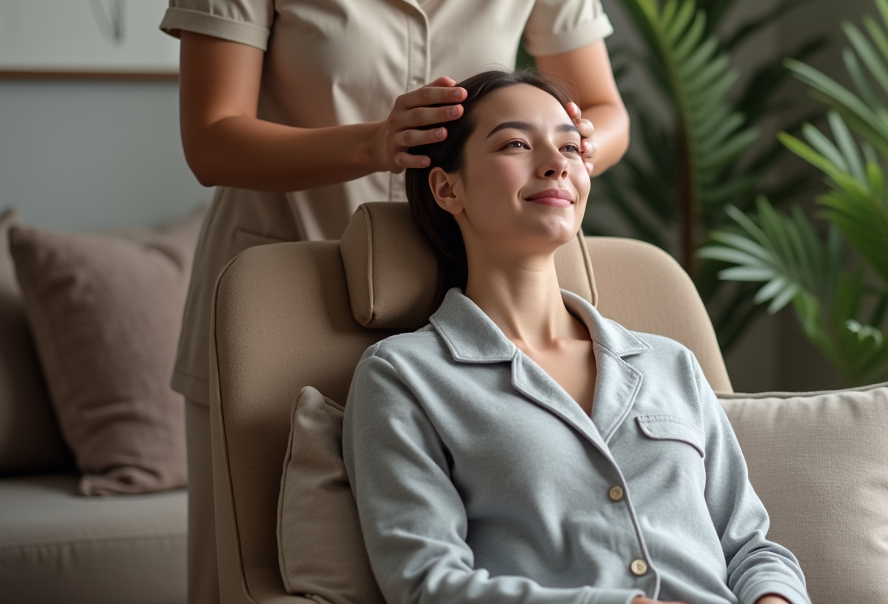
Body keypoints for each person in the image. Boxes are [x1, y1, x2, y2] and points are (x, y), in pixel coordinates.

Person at [161, 0, 629, 600]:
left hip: (476, 318)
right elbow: (212, 141)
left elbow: (605, 112)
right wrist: (375, 143)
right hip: (282, 304)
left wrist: (568, 144)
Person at [343, 70, 810, 604]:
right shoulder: (405, 376)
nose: (555, 163)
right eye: (516, 144)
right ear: (448, 187)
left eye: (569, 145)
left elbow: (751, 547)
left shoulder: (670, 363)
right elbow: (427, 584)